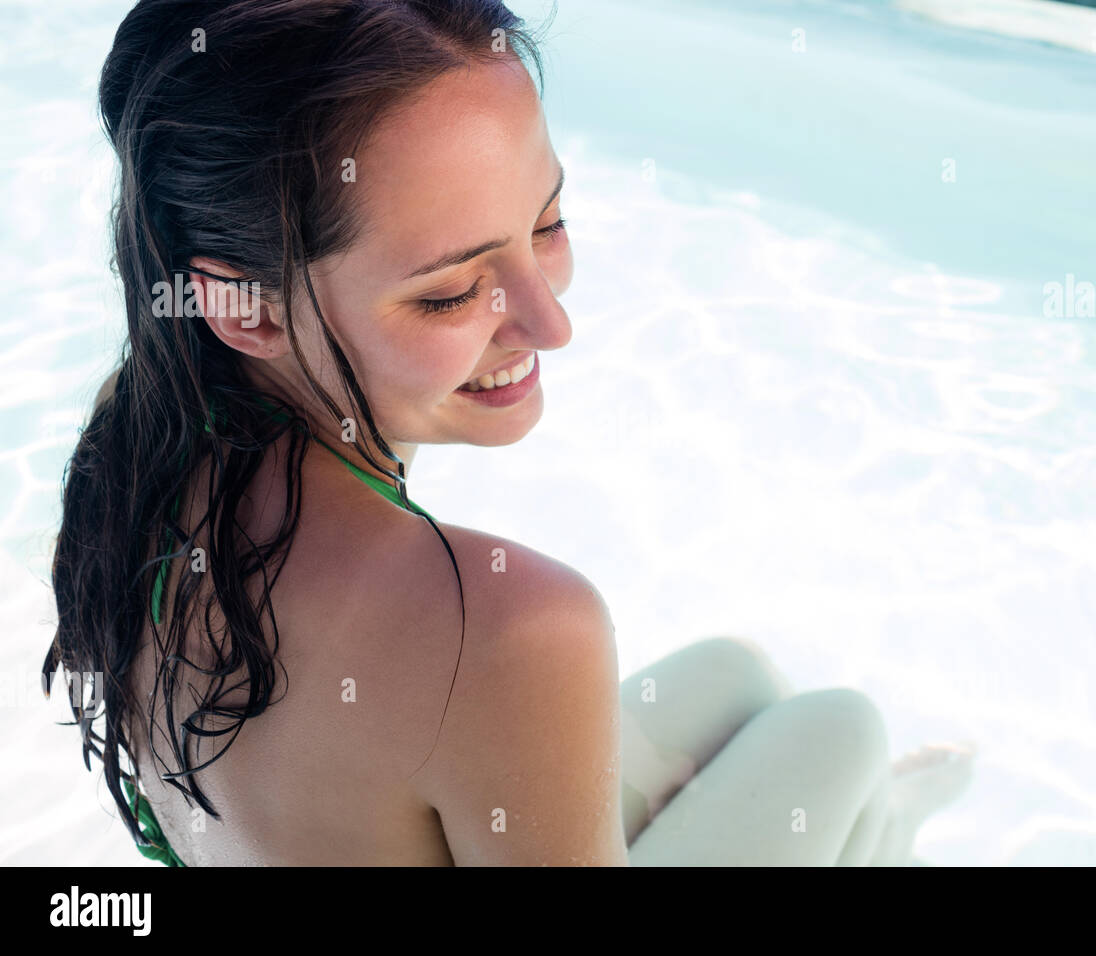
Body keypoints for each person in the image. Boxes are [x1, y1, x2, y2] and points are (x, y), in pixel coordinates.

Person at [46, 0, 972, 867]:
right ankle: (881, 834)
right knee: (842, 733)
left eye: (548, 222)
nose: (549, 321)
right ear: (244, 308)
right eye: (451, 290)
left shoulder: (130, 446)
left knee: (739, 678)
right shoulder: (511, 629)